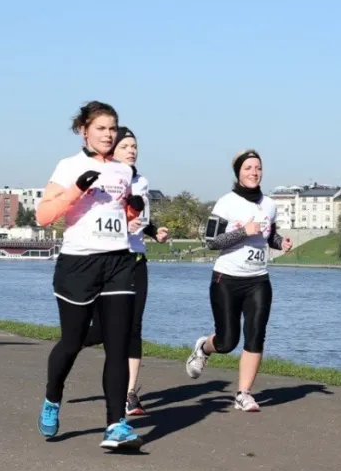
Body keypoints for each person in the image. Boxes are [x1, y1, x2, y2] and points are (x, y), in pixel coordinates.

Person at [34, 101, 144, 450]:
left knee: (118, 344)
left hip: (118, 262)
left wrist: (132, 211)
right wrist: (77, 189)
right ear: (84, 130)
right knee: (72, 341)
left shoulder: (124, 171)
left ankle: (116, 424)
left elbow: (121, 215)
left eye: (113, 129)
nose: (108, 135)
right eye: (101, 128)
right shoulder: (69, 167)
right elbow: (44, 216)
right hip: (79, 264)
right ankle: (53, 397)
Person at [184, 150, 293, 412]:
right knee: (227, 341)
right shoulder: (226, 203)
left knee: (256, 335)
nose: (254, 172)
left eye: (258, 167)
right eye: (248, 168)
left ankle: (244, 394)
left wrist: (281, 243)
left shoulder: (269, 204)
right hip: (227, 278)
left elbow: (269, 237)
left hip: (258, 279)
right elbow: (211, 242)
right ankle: (203, 347)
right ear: (238, 173)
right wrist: (243, 231)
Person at [85, 127, 168, 418]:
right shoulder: (102, 179)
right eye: (125, 146)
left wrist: (154, 230)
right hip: (105, 258)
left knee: (133, 326)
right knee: (100, 329)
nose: (132, 150)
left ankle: (129, 394)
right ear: (112, 150)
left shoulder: (142, 182)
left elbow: (141, 217)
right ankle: (80, 338)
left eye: (135, 146)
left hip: (135, 258)